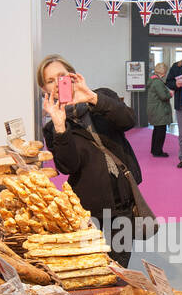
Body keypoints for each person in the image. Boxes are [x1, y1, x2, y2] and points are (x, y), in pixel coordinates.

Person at [37, 54, 141, 266]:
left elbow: (128, 120)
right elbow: (67, 166)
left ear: (73, 76)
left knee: (118, 267)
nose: (57, 83)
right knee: (90, 267)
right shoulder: (53, 127)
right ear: (44, 89)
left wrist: (93, 98)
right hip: (87, 209)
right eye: (50, 80)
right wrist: (60, 126)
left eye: (61, 76)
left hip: (123, 201)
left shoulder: (101, 97)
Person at [147, 62, 172, 157]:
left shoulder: (152, 80)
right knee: (161, 132)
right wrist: (170, 94)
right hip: (159, 110)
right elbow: (163, 96)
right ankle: (158, 151)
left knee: (156, 131)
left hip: (154, 109)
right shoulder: (158, 82)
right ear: (163, 72)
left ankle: (154, 149)